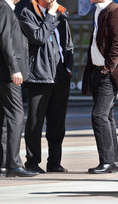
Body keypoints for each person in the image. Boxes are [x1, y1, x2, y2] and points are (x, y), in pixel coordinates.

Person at [82, 0, 118, 174]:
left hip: (108, 73)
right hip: (97, 71)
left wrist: (108, 67)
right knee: (107, 116)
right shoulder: (98, 10)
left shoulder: (116, 11)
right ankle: (113, 161)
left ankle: (108, 161)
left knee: (99, 115)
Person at [19, 0, 74, 173]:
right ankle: (32, 162)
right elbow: (38, 37)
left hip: (60, 77)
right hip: (38, 77)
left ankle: (54, 162)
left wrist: (68, 68)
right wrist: (50, 15)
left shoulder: (61, 14)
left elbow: (68, 44)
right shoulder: (27, 13)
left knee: (57, 124)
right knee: (35, 123)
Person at [0, 0, 38, 177]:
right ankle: (14, 164)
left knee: (2, 119)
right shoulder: (3, 9)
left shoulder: (0, 8)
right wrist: (15, 69)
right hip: (7, 74)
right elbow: (6, 42)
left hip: (1, 73)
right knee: (16, 115)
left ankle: (2, 165)